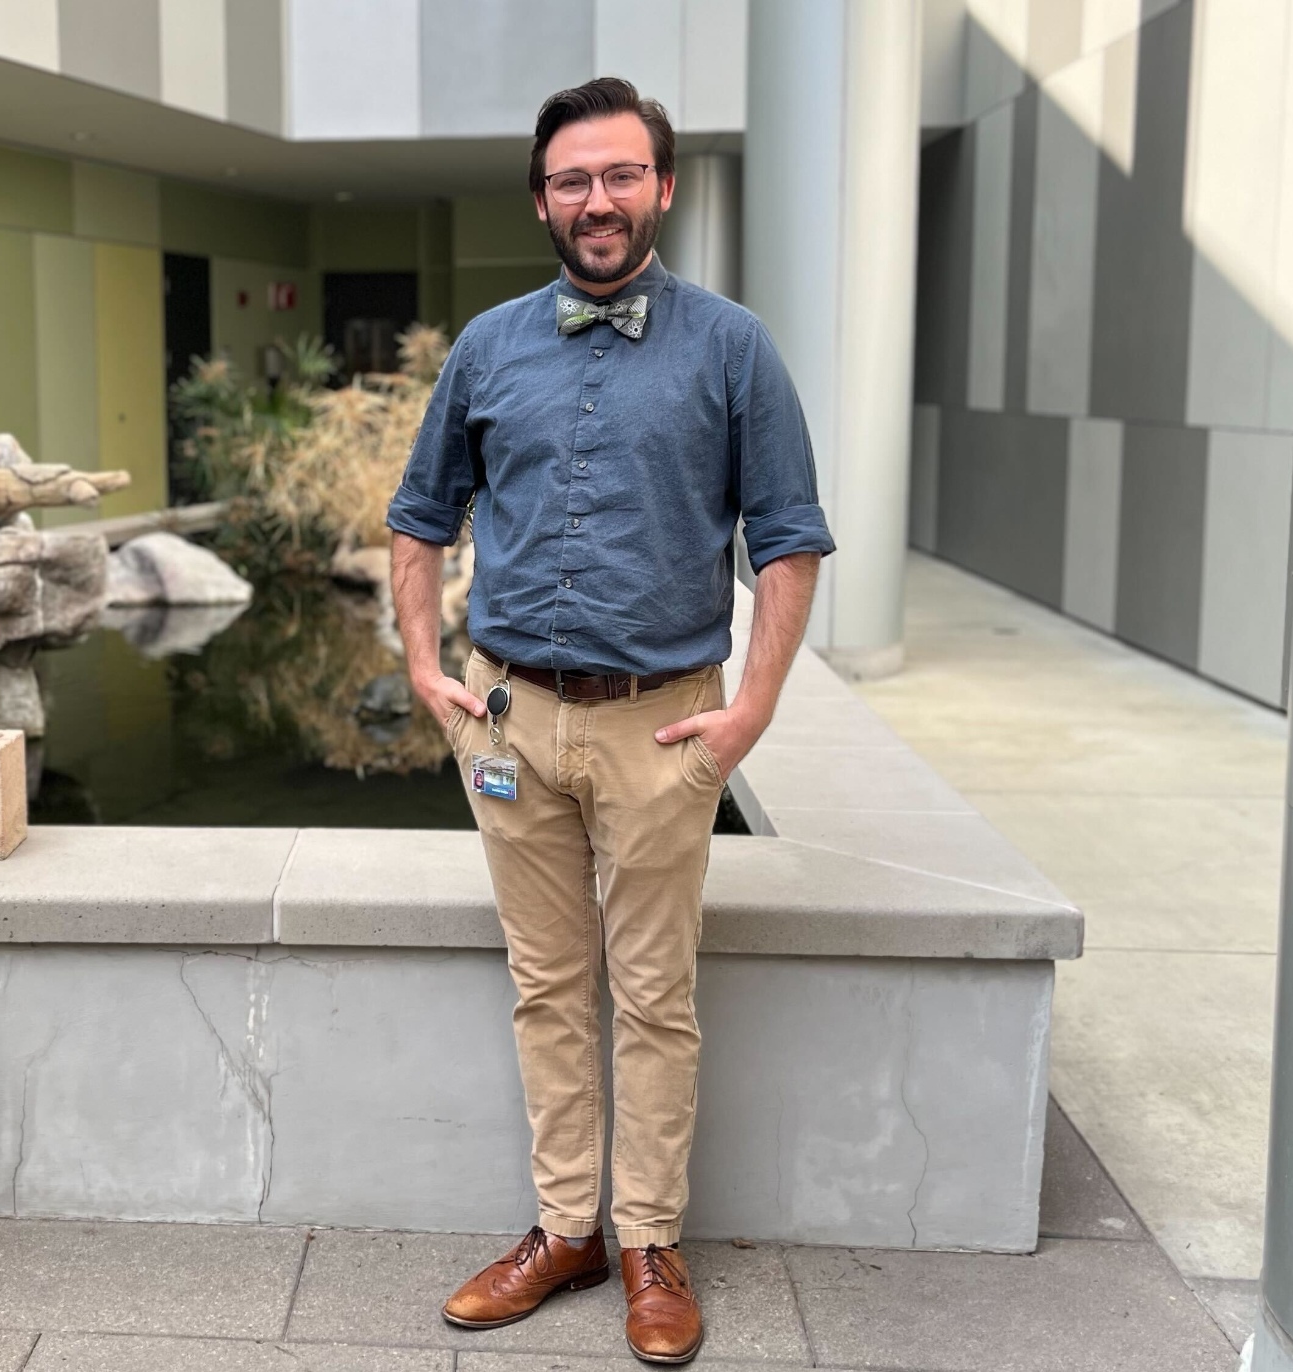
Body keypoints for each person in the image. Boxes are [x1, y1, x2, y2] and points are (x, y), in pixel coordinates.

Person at [387, 76, 834, 1366]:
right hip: (512, 725)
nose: (598, 200)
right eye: (574, 180)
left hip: (664, 729)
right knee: (546, 986)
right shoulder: (486, 346)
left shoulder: (734, 347)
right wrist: (427, 671)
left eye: (621, 175)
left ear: (662, 188)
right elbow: (422, 513)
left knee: (653, 995)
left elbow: (790, 539)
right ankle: (564, 1230)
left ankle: (648, 1243)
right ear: (543, 199)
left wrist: (751, 710)